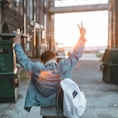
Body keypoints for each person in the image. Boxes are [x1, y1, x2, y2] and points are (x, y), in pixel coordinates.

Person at [13, 23, 86, 112]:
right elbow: (76, 55)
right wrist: (82, 37)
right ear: (54, 58)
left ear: (43, 61)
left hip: (46, 109)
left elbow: (23, 59)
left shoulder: (37, 69)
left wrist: (17, 44)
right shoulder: (62, 67)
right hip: (63, 107)